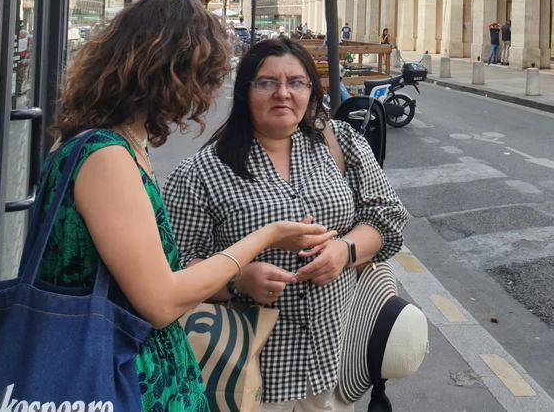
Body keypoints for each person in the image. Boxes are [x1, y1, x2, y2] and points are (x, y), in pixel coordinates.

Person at [39, 0, 336, 412]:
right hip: (117, 378)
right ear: (167, 73)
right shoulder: (106, 156)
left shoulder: (107, 144)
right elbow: (162, 300)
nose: (208, 92)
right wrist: (265, 237)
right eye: (203, 75)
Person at [164, 38, 408, 412]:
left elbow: (386, 216)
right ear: (246, 92)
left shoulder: (338, 143)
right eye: (267, 83)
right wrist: (238, 280)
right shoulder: (202, 172)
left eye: (296, 82)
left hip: (329, 367)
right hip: (244, 375)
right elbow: (175, 272)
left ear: (311, 91)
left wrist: (345, 250)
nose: (283, 93)